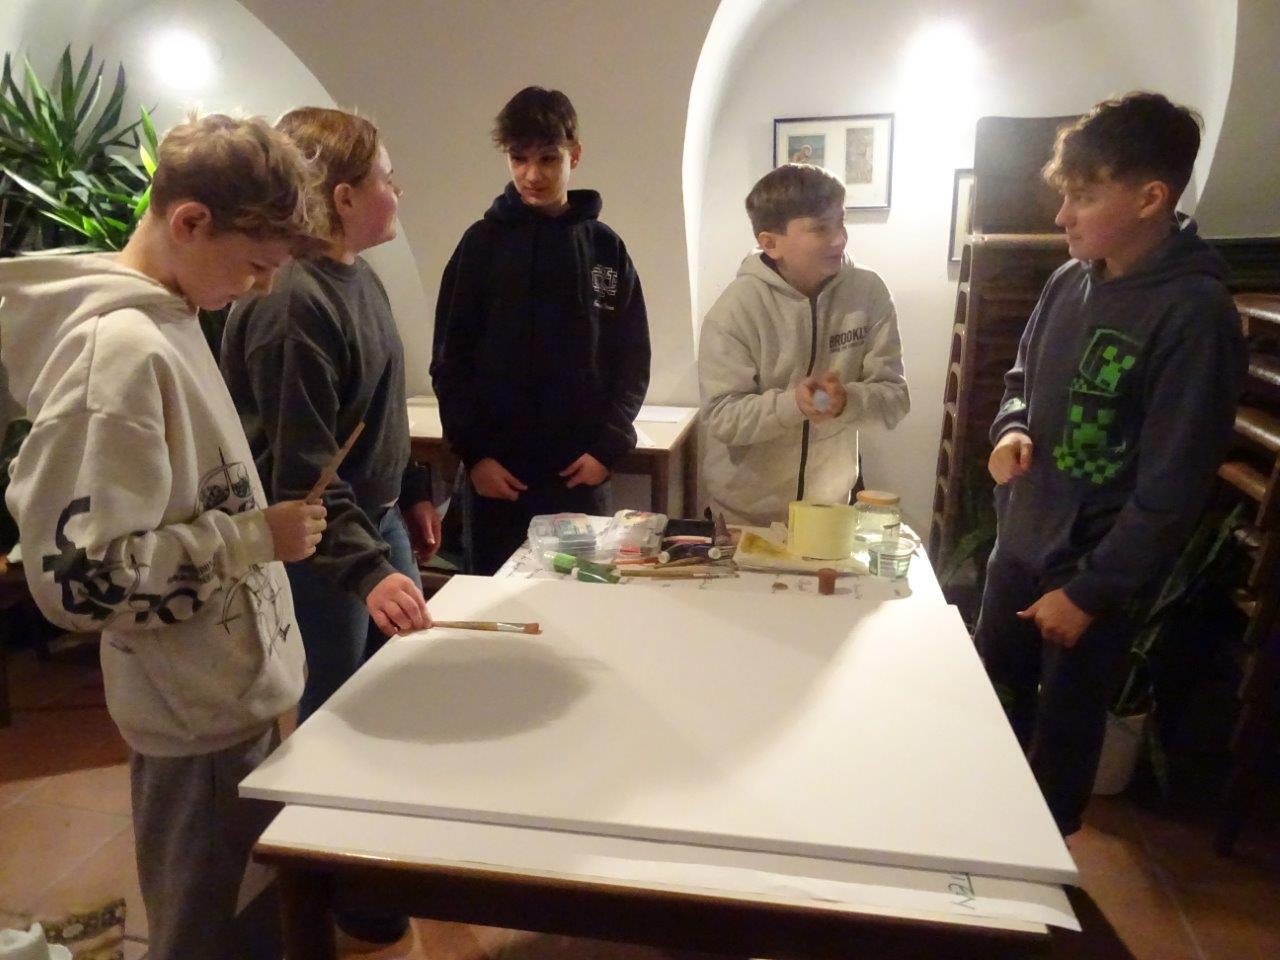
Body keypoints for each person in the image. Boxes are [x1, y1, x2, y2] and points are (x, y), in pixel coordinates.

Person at [0, 114, 327, 960]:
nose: (262, 289)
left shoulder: (173, 315)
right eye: (255, 265)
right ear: (190, 222)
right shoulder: (118, 352)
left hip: (229, 697)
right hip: (195, 721)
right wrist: (250, 539)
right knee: (205, 934)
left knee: (250, 921)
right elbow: (84, 582)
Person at [975, 92, 1247, 835]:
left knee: (1062, 740)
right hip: (1021, 544)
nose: (1062, 216)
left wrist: (1090, 592)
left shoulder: (1195, 313)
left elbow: (1174, 488)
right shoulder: (1068, 281)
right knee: (989, 705)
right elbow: (1019, 380)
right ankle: (979, 845)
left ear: (1152, 198)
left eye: (1085, 197)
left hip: (1091, 575)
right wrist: (1011, 427)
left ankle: (1045, 869)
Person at [220, 106, 437, 951]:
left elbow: (378, 409)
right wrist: (367, 569)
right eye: (384, 176)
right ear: (343, 197)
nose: (397, 189)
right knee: (339, 721)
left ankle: (375, 874)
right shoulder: (292, 303)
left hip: (367, 523)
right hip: (319, 546)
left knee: (395, 700)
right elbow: (299, 469)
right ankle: (338, 894)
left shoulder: (357, 277)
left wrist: (411, 490)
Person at [431, 86, 650, 574]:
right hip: (498, 481)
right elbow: (450, 361)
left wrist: (606, 449)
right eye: (519, 158)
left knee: (582, 597)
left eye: (548, 158)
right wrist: (475, 456)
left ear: (575, 155)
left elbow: (632, 359)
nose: (533, 174)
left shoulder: (605, 248)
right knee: (496, 601)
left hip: (580, 477)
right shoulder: (480, 246)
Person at [698, 162, 909, 526]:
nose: (839, 239)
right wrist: (793, 404)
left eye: (841, 222)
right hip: (742, 517)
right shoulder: (734, 309)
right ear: (770, 243)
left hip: (830, 512)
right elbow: (722, 417)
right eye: (820, 228)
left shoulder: (868, 292)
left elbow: (895, 398)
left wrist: (848, 401)